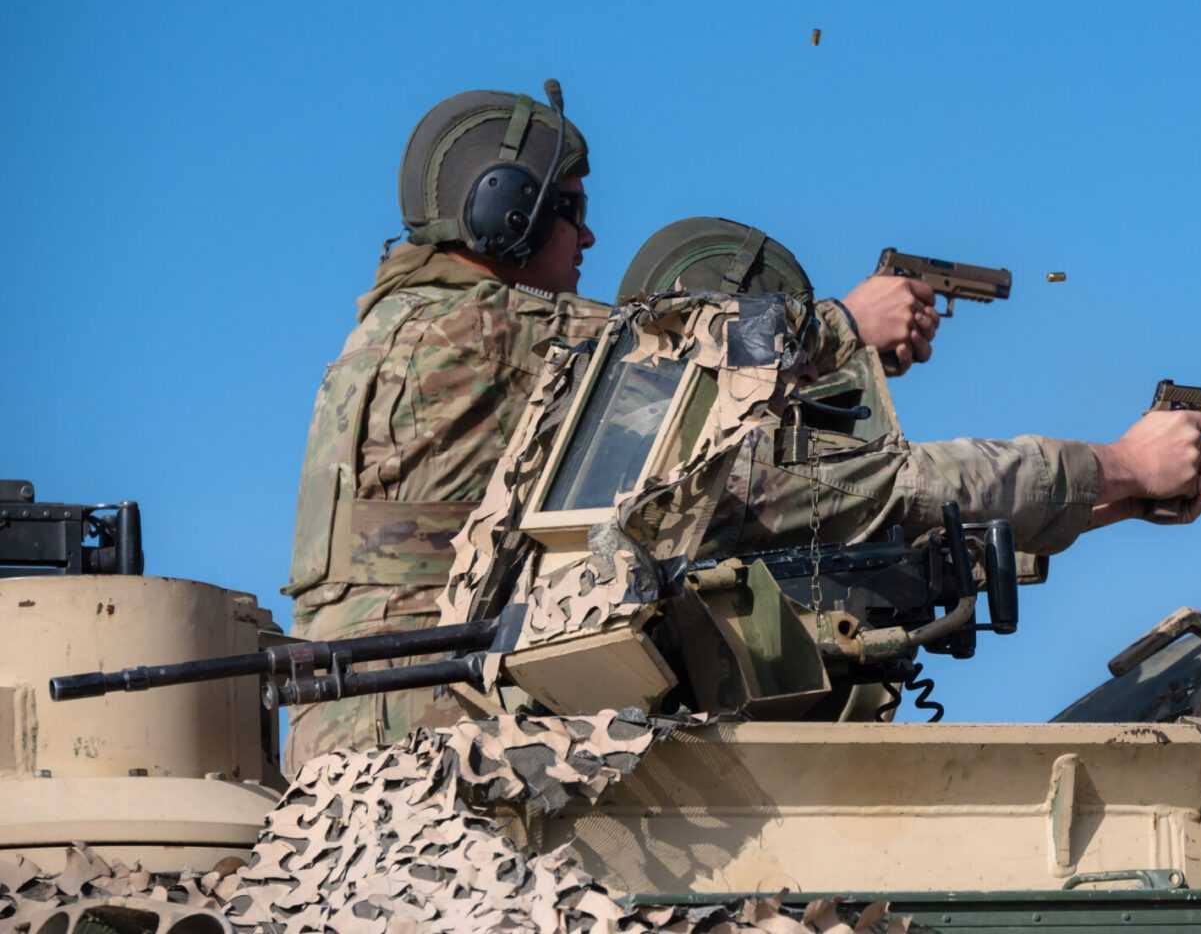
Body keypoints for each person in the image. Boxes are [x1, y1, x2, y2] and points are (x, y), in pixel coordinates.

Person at [282, 86, 945, 766]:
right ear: (505, 211)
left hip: (342, 719)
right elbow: (677, 345)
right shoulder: (484, 330)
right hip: (425, 716)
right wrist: (847, 324)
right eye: (572, 210)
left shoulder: (392, 330)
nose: (589, 237)